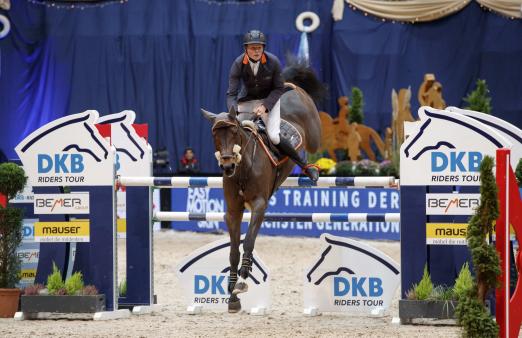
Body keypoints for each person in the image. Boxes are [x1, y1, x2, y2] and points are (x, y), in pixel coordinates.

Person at [226, 29, 319, 182]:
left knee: (274, 137)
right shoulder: (238, 64)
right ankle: (231, 168)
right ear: (246, 49)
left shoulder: (272, 62)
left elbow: (278, 89)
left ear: (263, 48)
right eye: (252, 48)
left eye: (259, 47)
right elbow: (231, 93)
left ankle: (305, 166)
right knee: (235, 133)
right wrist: (233, 110)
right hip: (247, 102)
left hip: (270, 100)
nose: (256, 51)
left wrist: (264, 107)